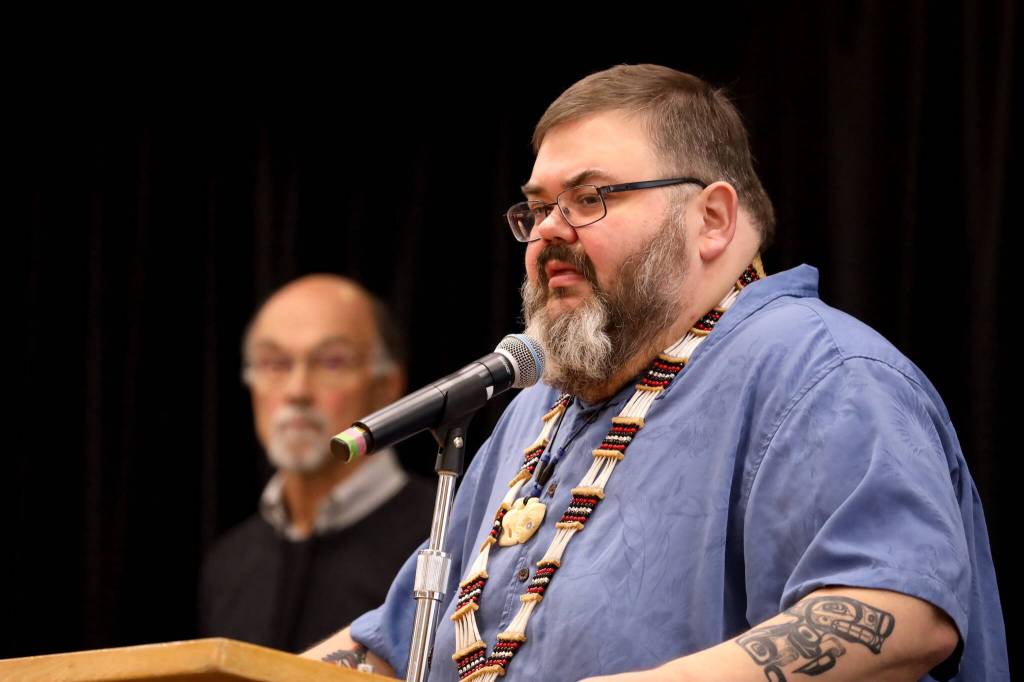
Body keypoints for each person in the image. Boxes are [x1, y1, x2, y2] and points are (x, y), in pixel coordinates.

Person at [304, 66, 1008, 681]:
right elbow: (399, 645)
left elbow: (902, 612)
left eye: (590, 198)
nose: (549, 229)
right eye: (539, 206)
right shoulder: (535, 410)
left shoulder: (821, 372)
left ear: (711, 218)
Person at [200, 274, 435, 653]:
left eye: (330, 362)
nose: (297, 391)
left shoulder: (442, 537)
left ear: (387, 385)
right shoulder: (229, 562)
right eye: (274, 363)